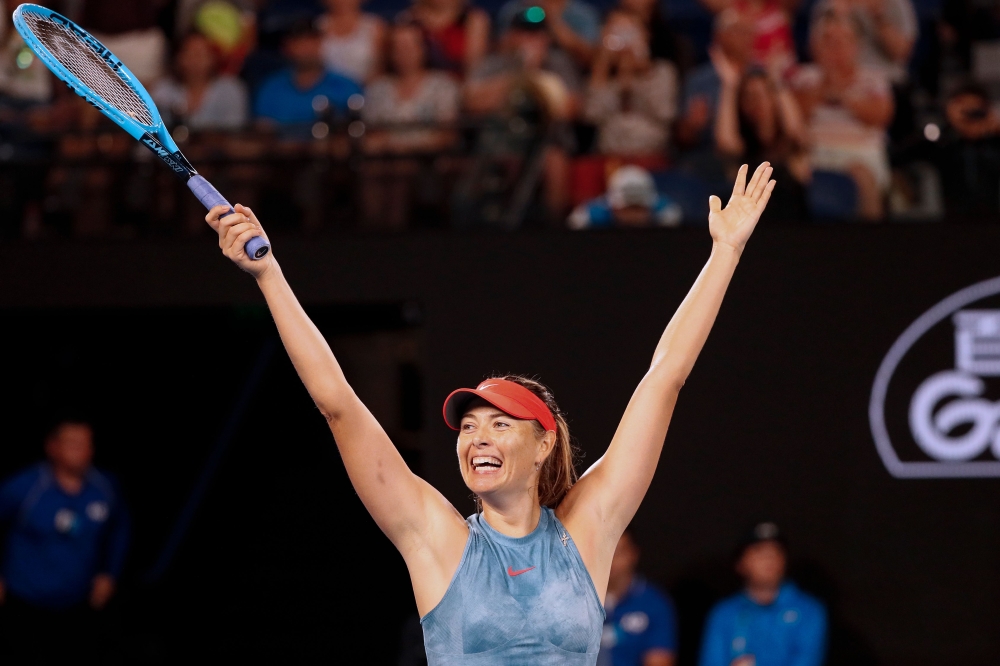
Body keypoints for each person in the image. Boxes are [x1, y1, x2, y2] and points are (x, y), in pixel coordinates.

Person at [203, 160, 776, 664]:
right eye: (469, 426)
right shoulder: (434, 536)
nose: (478, 437)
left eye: (501, 424)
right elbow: (338, 405)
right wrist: (269, 275)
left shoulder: (588, 529)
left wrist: (725, 252)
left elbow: (665, 378)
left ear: (544, 444)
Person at [0, 421, 129, 661]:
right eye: (72, 443)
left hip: (77, 601)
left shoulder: (105, 487)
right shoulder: (25, 487)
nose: (81, 450)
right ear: (52, 447)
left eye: (86, 443)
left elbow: (120, 528)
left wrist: (110, 573)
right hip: (24, 601)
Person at [463, 9, 582, 220]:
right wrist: (519, 75)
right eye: (523, 34)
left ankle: (555, 227)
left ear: (546, 39)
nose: (530, 41)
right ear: (509, 37)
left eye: (536, 35)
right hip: (501, 139)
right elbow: (472, 102)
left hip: (548, 140)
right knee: (497, 161)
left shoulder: (558, 63)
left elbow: (570, 109)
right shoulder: (494, 63)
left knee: (554, 162)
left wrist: (536, 76)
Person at [790, 10, 893, 220]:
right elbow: (794, 117)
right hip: (815, 152)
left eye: (841, 41)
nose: (834, 47)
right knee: (791, 173)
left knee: (862, 178)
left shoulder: (873, 79)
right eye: (827, 40)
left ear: (856, 46)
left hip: (860, 153)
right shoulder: (803, 77)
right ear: (814, 45)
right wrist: (823, 88)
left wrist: (844, 97)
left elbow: (881, 117)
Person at [360, 20, 461, 228]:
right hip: (386, 158)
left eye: (409, 46)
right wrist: (389, 147)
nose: (403, 53)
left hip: (429, 158)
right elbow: (372, 136)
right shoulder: (378, 89)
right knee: (373, 166)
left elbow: (447, 135)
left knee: (402, 167)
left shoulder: (443, 85)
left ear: (424, 48)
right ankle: (371, 234)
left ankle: (397, 235)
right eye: (397, 47)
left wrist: (407, 147)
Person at [699, 523, 826, 666]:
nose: (769, 558)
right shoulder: (724, 613)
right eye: (759, 551)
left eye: (776, 551)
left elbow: (807, 661)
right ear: (740, 564)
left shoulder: (809, 610)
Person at [713, 51, 809, 222]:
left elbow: (796, 133)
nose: (757, 101)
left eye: (763, 93)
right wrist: (730, 87)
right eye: (750, 96)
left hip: (792, 224)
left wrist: (778, 83)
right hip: (751, 227)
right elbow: (726, 141)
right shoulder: (743, 143)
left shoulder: (788, 141)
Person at [893, 82, 1000, 223]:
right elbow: (900, 155)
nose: (969, 113)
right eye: (962, 107)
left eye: (975, 109)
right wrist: (951, 125)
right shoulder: (941, 143)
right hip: (948, 223)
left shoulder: (994, 143)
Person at [583, 10, 679, 156]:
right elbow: (591, 114)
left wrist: (644, 71)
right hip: (608, 156)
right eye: (617, 32)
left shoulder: (662, 71)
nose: (624, 40)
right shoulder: (602, 75)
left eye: (630, 32)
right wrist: (602, 66)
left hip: (653, 156)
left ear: (646, 35)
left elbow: (665, 113)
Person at [254, 18, 363, 129]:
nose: (307, 49)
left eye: (312, 41)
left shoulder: (347, 86)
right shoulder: (271, 88)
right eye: (299, 43)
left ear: (321, 44)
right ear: (287, 47)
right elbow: (263, 131)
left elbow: (356, 130)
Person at [675, 9, 755, 153]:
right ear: (720, 36)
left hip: (755, 152)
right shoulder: (699, 80)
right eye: (739, 31)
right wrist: (692, 125)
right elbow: (684, 136)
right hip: (708, 153)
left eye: (749, 32)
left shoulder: (758, 75)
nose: (747, 38)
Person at [597, 530, 678, 666]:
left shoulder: (654, 603)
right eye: (603, 552)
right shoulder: (573, 599)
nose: (611, 560)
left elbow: (660, 660)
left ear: (633, 554)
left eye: (618, 552)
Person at [153, 32, 250, 131]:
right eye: (189, 54)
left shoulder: (231, 89)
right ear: (178, 57)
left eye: (201, 54)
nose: (195, 60)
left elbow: (235, 130)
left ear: (214, 58)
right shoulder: (164, 90)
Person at [809, 0, 917, 85]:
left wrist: (877, 15)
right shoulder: (828, 4)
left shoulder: (896, 3)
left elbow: (901, 53)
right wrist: (838, 16)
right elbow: (815, 49)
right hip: (839, 79)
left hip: (888, 80)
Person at [568, 165, 682, 228]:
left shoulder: (664, 212)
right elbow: (576, 220)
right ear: (614, 207)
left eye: (638, 208)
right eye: (628, 208)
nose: (633, 216)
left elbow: (674, 215)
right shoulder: (597, 213)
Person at [496, 0, 602, 68]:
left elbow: (588, 58)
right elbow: (500, 50)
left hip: (562, 69)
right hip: (515, 64)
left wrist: (551, 18)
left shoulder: (582, 15)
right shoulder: (514, 10)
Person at [401, 0, 491, 75]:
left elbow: (474, 68)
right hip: (420, 87)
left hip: (460, 86)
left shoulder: (474, 19)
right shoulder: (408, 19)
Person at [318, 0, 387, 84]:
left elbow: (381, 67)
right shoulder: (318, 26)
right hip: (324, 88)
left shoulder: (376, 27)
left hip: (367, 88)